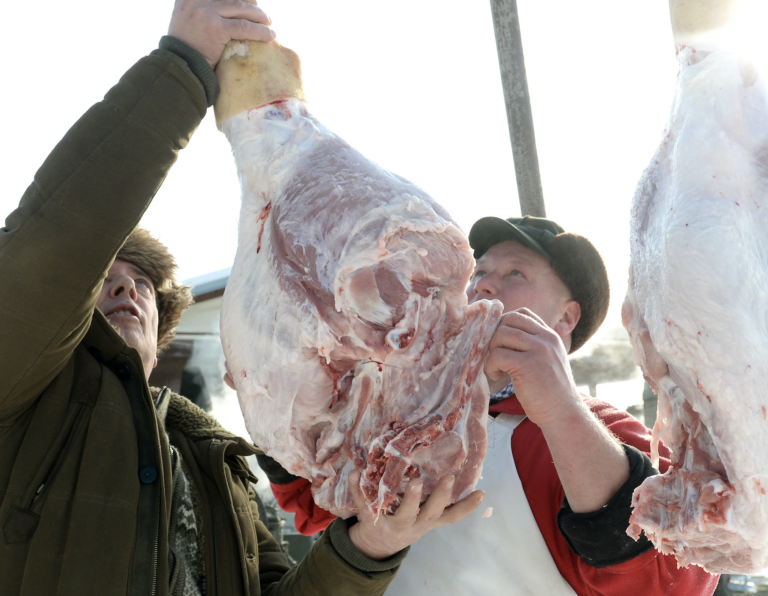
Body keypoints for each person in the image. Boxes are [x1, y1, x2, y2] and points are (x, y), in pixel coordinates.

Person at [0, 1, 483, 594]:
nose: (125, 287)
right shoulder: (21, 398)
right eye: (103, 279)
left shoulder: (210, 456)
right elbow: (55, 248)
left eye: (143, 284)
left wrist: (368, 549)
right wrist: (178, 70)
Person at [259, 216, 720, 595]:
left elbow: (673, 580)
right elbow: (311, 506)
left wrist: (560, 410)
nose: (483, 287)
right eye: (478, 273)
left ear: (566, 317)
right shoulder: (399, 413)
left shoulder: (602, 430)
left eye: (514, 274)